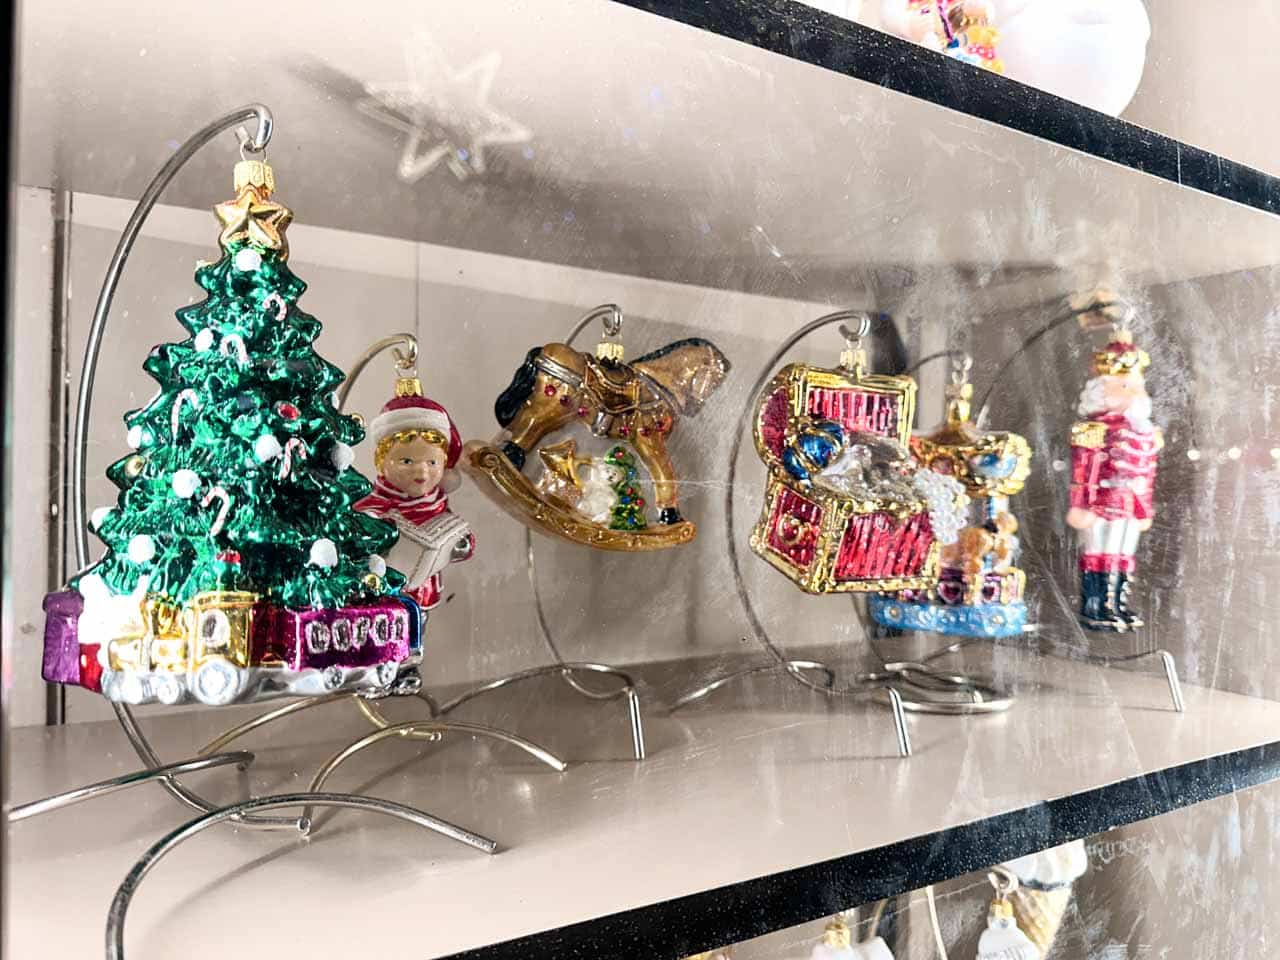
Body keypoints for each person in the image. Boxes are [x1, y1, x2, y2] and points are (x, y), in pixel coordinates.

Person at [1067, 335, 1161, 630]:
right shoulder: (1092, 429)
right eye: (1123, 385)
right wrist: (1080, 505)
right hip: (1100, 503)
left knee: (1123, 555)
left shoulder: (1146, 433)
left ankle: (1117, 604)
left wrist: (1144, 509)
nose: (1133, 393)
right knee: (1098, 554)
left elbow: (1146, 475)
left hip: (1130, 505)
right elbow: (1083, 470)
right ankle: (1095, 606)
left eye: (1135, 385)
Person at [356, 380, 474, 611]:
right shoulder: (372, 505)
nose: (422, 471)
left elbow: (457, 538)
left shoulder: (437, 503)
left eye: (432, 462)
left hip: (426, 589)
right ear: (381, 463)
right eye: (406, 461)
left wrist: (462, 545)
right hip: (384, 590)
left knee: (419, 629)